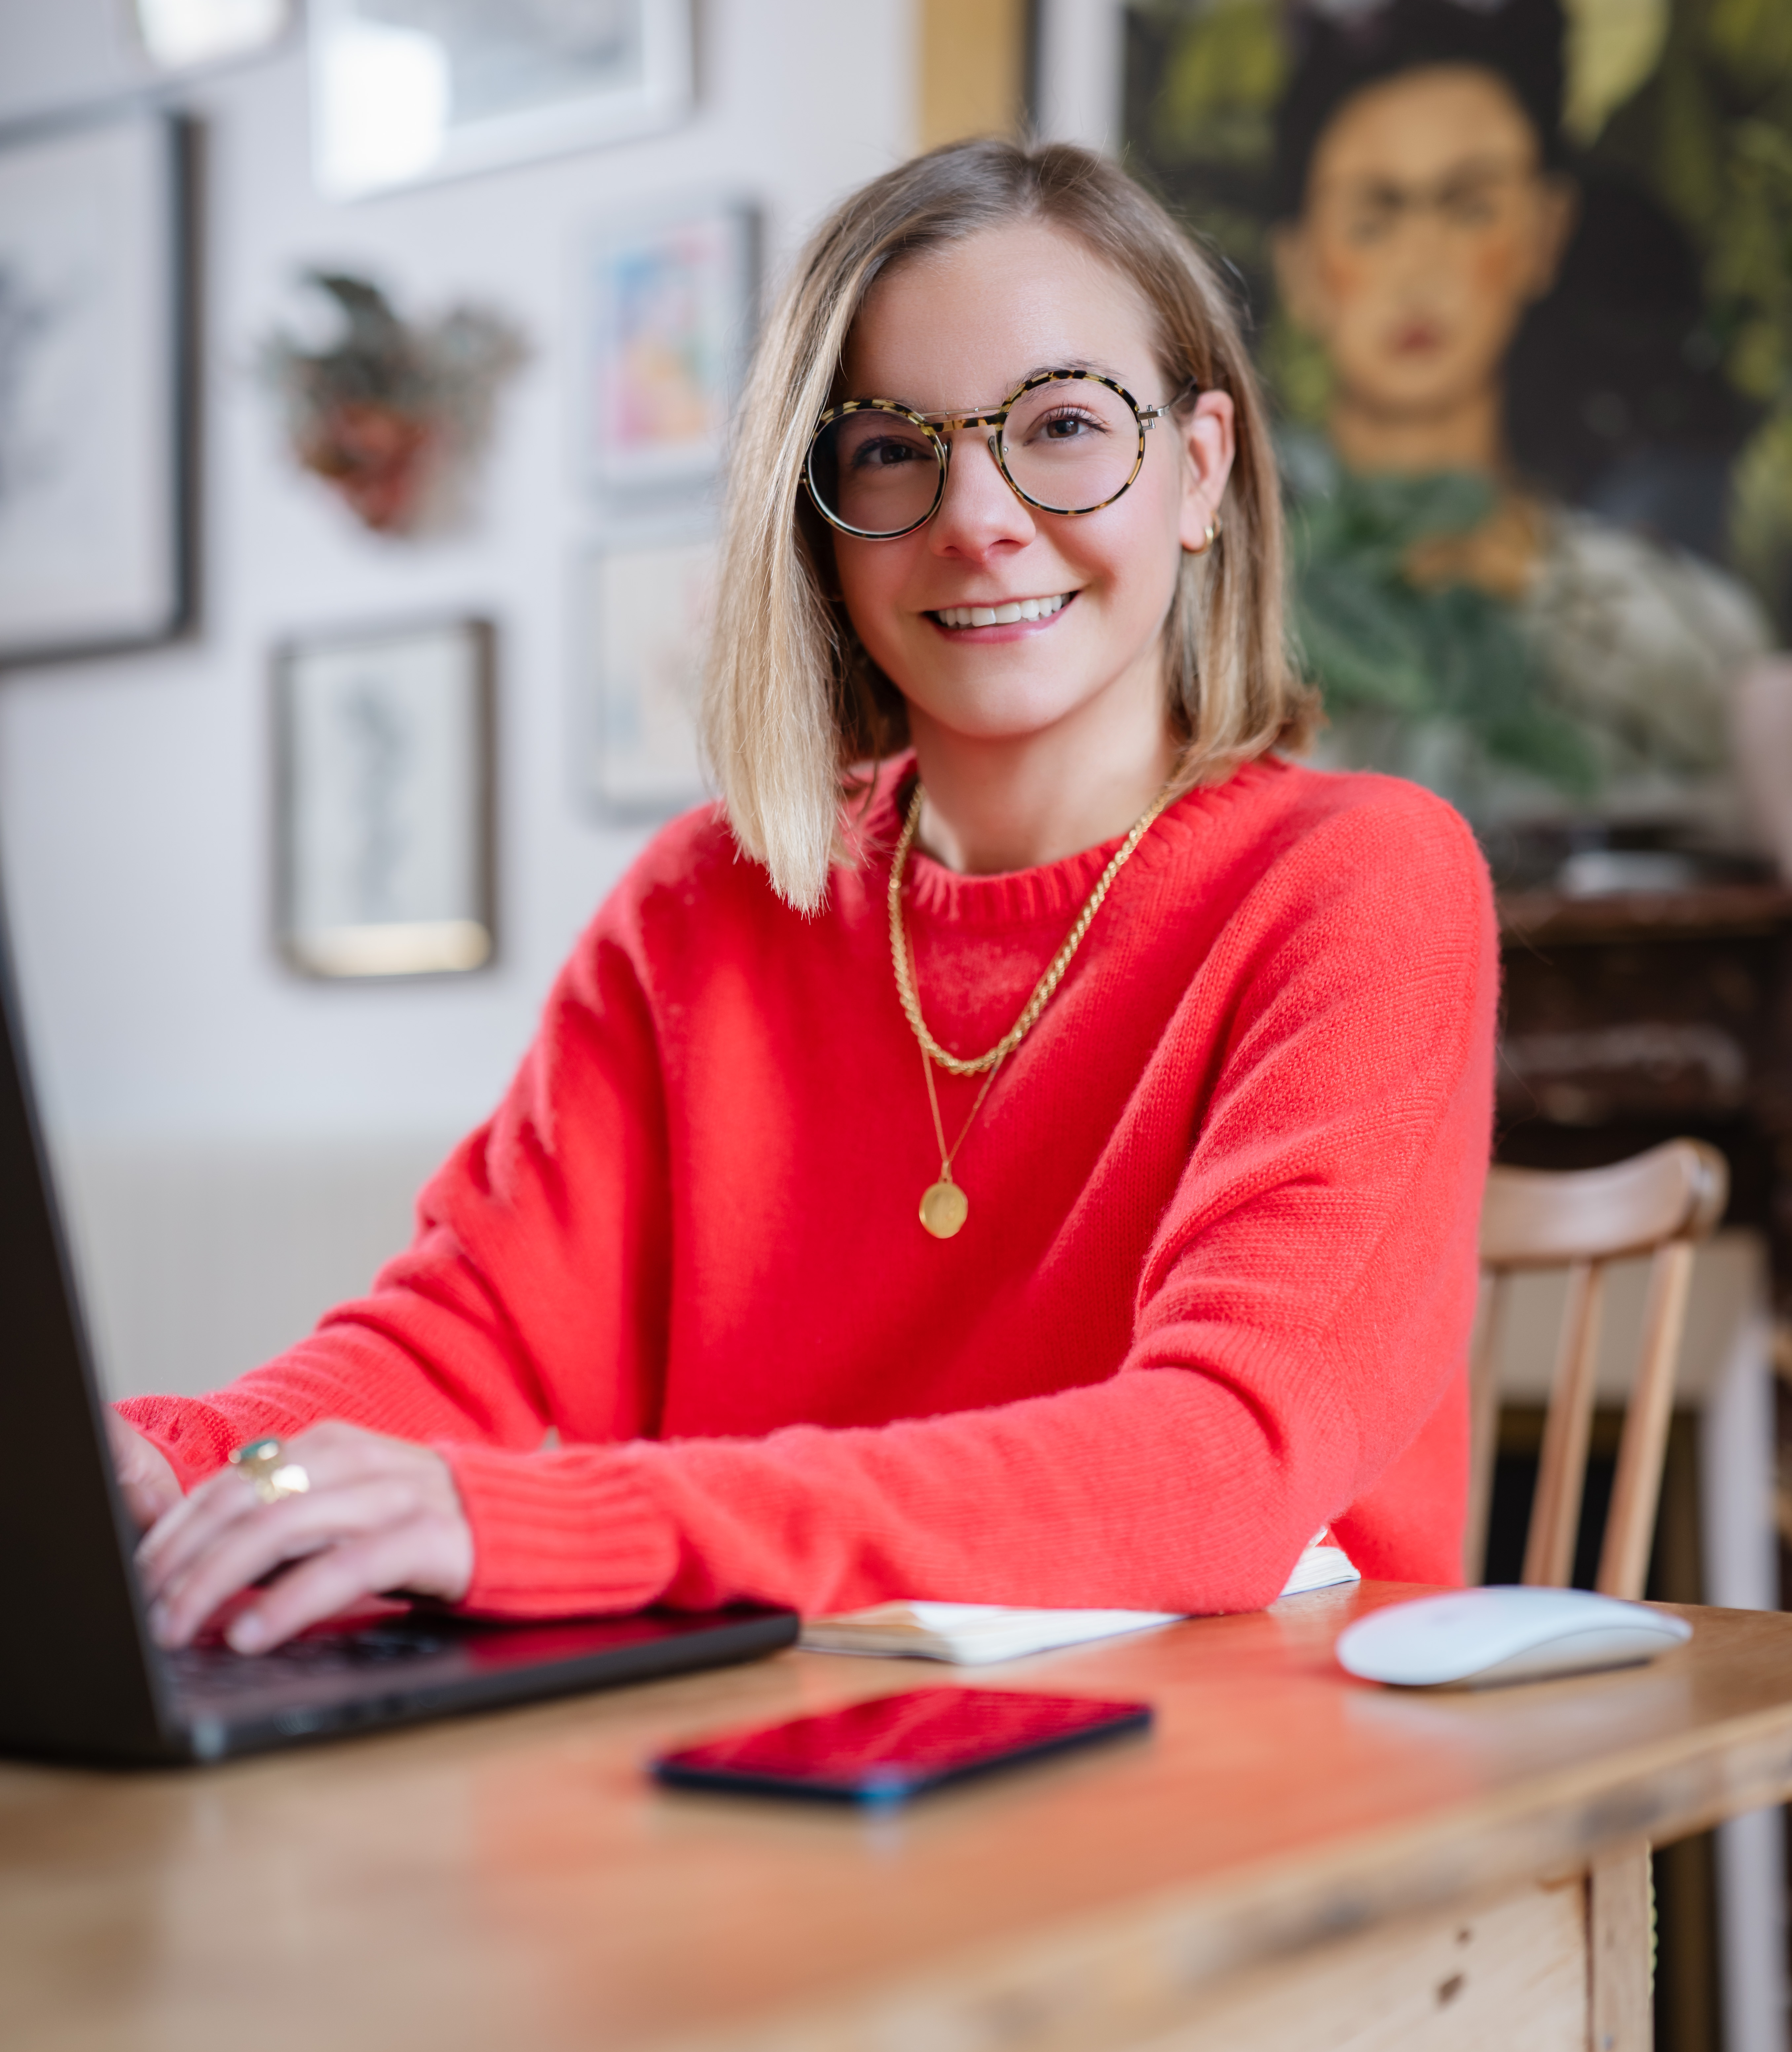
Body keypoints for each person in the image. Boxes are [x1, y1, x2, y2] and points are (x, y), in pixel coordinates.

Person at [111, 138, 1497, 1658]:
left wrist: (568, 1521)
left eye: (1063, 426)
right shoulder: (705, 903)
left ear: (1203, 469)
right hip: (782, 1772)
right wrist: (185, 1463)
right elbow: (478, 1337)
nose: (980, 514)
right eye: (894, 449)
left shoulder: (1361, 881)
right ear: (823, 513)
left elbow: (1226, 1462)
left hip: (1246, 1784)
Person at [1269, 0, 1771, 825]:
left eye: (1469, 208)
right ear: (1301, 260)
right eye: (1376, 216)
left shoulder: (1671, 612)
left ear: (1544, 231)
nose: (1421, 268)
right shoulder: (1217, 587)